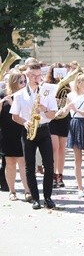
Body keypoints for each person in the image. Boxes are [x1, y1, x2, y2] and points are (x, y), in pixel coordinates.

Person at [10, 62, 58, 209]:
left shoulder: (47, 92)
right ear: (27, 75)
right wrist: (24, 123)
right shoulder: (19, 95)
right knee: (29, 167)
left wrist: (43, 109)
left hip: (43, 129)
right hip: (28, 130)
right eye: (33, 75)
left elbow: (53, 114)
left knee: (49, 165)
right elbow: (14, 116)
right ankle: (35, 198)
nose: (37, 78)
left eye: (39, 75)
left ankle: (48, 197)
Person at [0, 71, 30, 201]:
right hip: (7, 133)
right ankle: (12, 191)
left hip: (22, 131)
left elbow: (26, 115)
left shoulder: (26, 96)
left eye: (24, 81)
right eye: (21, 82)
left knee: (23, 162)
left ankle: (27, 190)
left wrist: (12, 104)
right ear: (13, 82)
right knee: (10, 162)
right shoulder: (3, 95)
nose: (24, 84)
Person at [45, 63, 70, 188]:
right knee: (54, 148)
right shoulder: (48, 85)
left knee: (62, 149)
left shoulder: (67, 86)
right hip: (52, 118)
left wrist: (65, 107)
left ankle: (60, 175)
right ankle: (53, 175)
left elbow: (70, 99)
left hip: (64, 117)